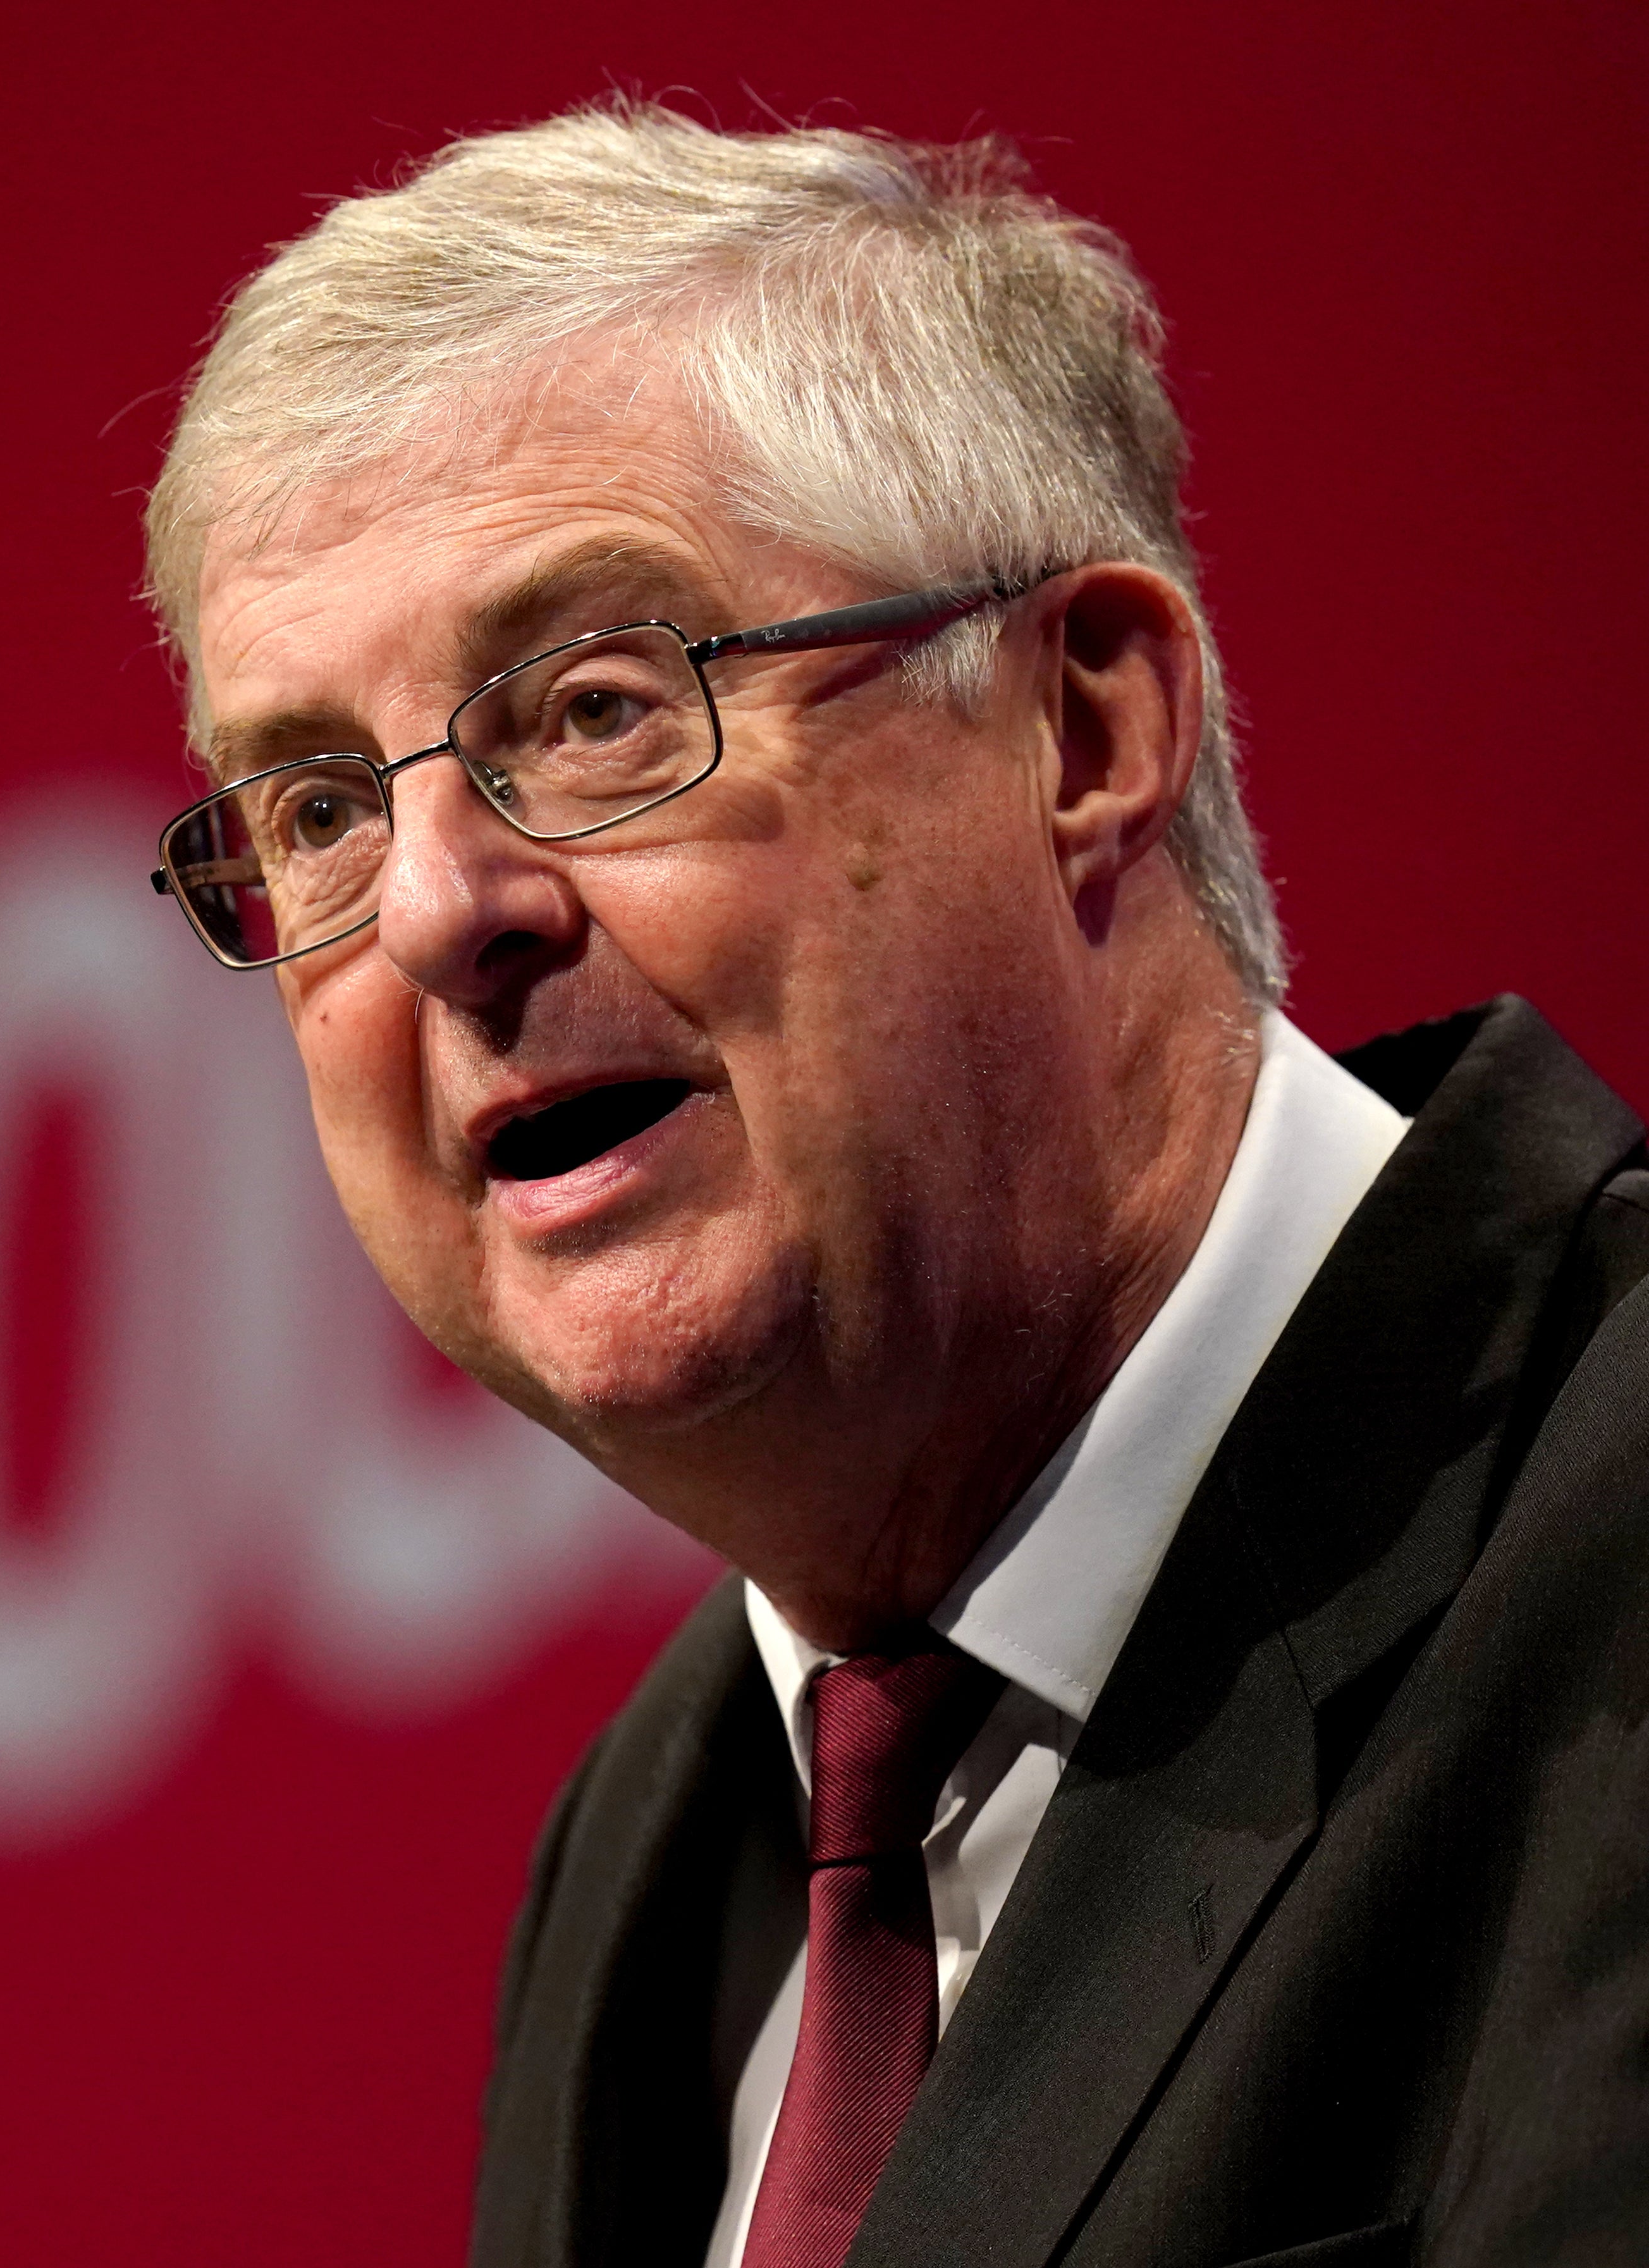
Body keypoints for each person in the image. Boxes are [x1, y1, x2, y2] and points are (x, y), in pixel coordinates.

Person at [138, 104, 1649, 2267]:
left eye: (589, 708)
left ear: (1079, 731)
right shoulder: (658, 1856)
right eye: (309, 808)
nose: (433, 913)